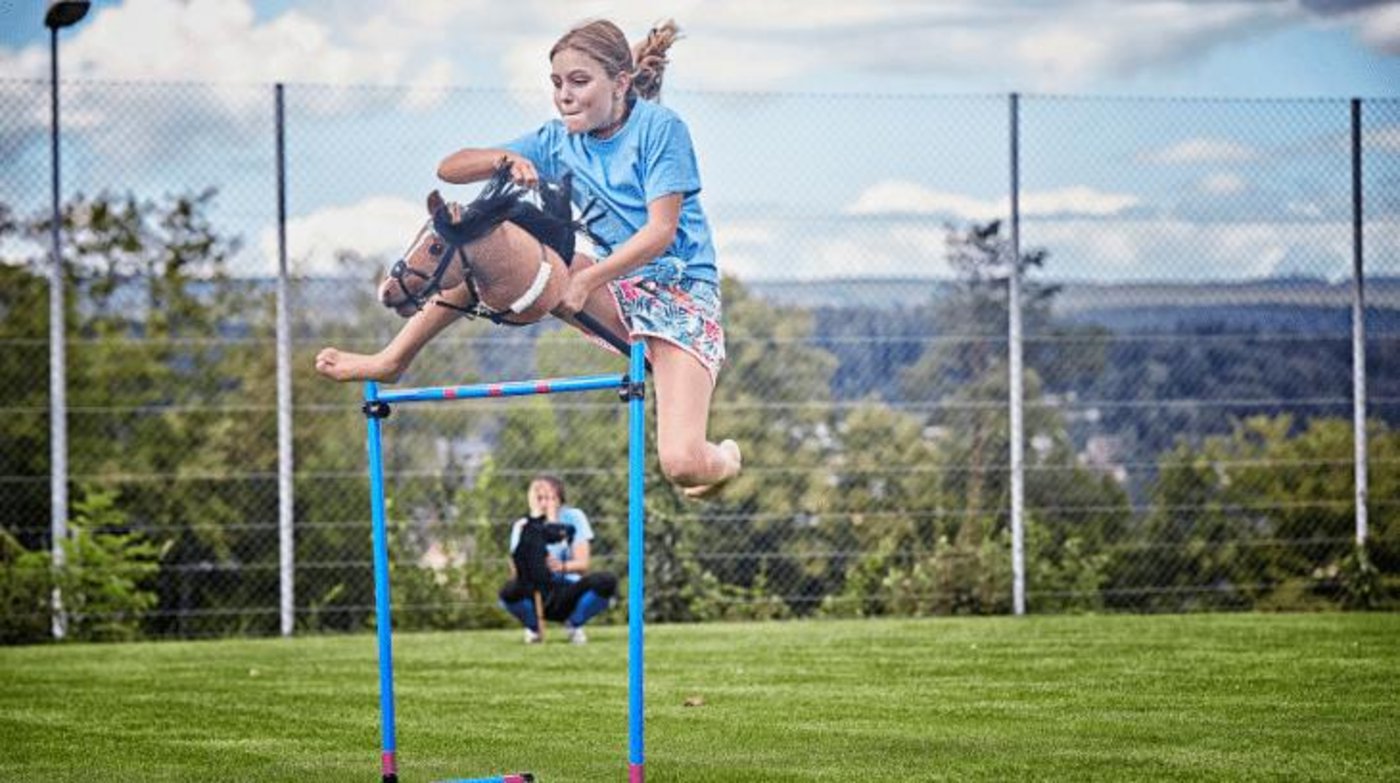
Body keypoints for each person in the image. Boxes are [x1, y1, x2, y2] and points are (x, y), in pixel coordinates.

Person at [314, 18, 741, 499]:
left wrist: (586, 280)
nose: (564, 95)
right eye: (557, 83)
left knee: (683, 464)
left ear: (621, 82)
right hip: (615, 290)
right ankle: (392, 360)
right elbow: (448, 167)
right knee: (480, 238)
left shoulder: (660, 129)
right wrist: (502, 161)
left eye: (580, 82)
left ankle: (723, 460)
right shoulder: (555, 139)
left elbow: (660, 232)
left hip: (681, 295)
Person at [498, 475, 616, 644]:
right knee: (508, 592)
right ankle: (534, 627)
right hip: (538, 588)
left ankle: (574, 623)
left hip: (567, 586)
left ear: (559, 500)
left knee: (605, 581)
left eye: (549, 498)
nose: (544, 503)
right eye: (539, 498)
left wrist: (561, 566)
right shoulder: (523, 526)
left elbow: (582, 564)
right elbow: (517, 570)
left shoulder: (574, 518)